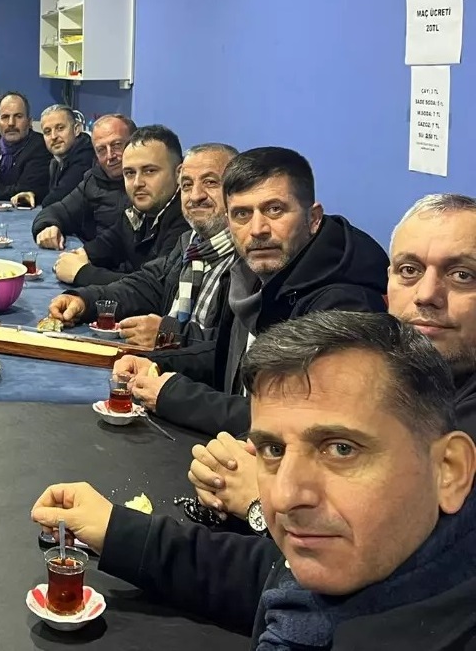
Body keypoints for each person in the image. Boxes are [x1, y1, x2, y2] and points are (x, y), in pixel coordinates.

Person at [33, 311, 476, 648]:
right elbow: (271, 571)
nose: (284, 495)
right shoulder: (379, 568)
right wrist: (118, 531)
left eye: (341, 449)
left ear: (450, 471)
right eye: (273, 450)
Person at [189, 193, 476, 524]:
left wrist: (262, 502)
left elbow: (392, 542)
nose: (426, 295)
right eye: (409, 270)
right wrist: (233, 463)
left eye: (462, 275)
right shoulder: (386, 365)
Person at [112, 146, 388, 437]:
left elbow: (298, 419)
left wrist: (173, 396)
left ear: (313, 218)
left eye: (274, 210)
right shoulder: (251, 274)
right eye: (242, 214)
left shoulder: (345, 303)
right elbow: (231, 357)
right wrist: (156, 363)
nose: (258, 229)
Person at [48, 144, 239, 347]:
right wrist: (85, 301)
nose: (195, 195)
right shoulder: (190, 243)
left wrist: (169, 335)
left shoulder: (246, 259)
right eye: (187, 185)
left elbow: (241, 349)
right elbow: (145, 286)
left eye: (210, 182)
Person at [51, 124, 188, 286]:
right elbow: (109, 243)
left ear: (179, 174)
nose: (137, 183)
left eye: (149, 171)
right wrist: (80, 256)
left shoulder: (187, 220)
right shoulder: (138, 211)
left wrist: (82, 273)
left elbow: (157, 287)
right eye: (129, 173)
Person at [31, 113, 135, 246]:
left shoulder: (150, 185)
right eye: (101, 150)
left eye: (117, 145)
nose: (110, 156)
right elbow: (55, 211)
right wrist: (48, 227)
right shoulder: (94, 180)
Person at [0, 91, 52, 205]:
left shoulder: (40, 146)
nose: (11, 123)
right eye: (5, 117)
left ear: (29, 122)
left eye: (18, 116)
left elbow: (24, 188)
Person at [30, 105, 95, 210]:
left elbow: (55, 201)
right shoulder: (57, 160)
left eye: (60, 128)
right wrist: (33, 195)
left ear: (76, 129)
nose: (53, 136)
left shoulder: (86, 157)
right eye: (47, 131)